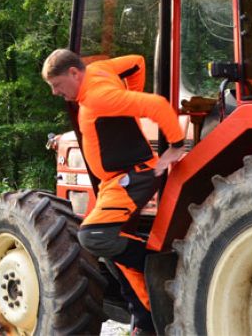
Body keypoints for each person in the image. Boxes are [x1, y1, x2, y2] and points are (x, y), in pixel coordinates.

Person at [42, 49, 186, 336]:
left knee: (94, 236)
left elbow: (156, 105)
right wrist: (126, 105)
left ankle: (158, 265)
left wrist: (176, 145)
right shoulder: (100, 71)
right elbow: (136, 63)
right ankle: (144, 319)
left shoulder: (97, 97)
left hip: (132, 176)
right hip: (114, 181)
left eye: (57, 85)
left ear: (74, 73)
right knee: (114, 252)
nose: (56, 92)